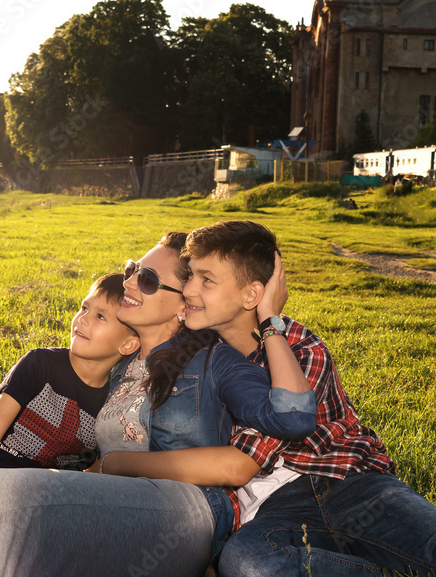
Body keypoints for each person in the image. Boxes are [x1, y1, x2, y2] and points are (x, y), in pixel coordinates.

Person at [0, 230, 315, 577]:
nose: (128, 283)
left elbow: (290, 418)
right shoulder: (122, 368)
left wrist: (270, 319)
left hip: (180, 520)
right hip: (110, 504)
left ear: (182, 304)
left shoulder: (214, 362)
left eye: (145, 280)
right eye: (132, 270)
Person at [169, 221, 436, 576]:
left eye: (206, 279)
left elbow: (249, 458)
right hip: (274, 511)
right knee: (247, 562)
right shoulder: (202, 357)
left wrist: (270, 323)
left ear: (252, 296)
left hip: (351, 485)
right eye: (190, 276)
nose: (188, 289)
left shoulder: (302, 349)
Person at [0, 273, 139, 473]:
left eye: (100, 316)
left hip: (52, 496)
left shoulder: (113, 402)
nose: (83, 319)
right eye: (84, 308)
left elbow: (96, 466)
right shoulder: (39, 364)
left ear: (127, 345)